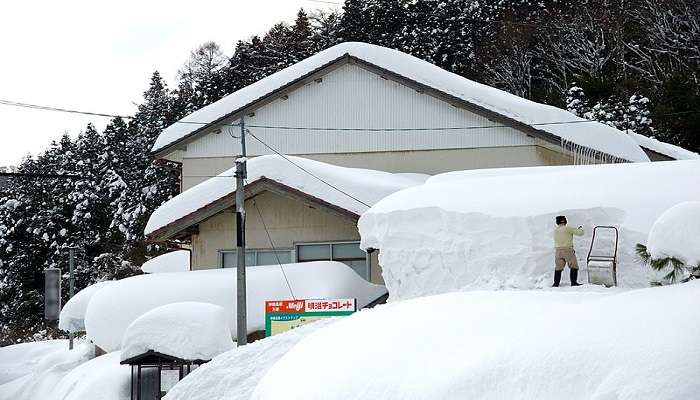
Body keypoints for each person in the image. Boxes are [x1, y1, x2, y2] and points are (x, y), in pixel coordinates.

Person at [553, 215, 584, 287]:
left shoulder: (555, 230)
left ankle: (556, 283)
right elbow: (580, 233)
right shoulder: (567, 228)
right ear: (565, 221)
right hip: (567, 250)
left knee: (558, 267)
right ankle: (574, 282)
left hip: (558, 250)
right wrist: (581, 228)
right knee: (573, 266)